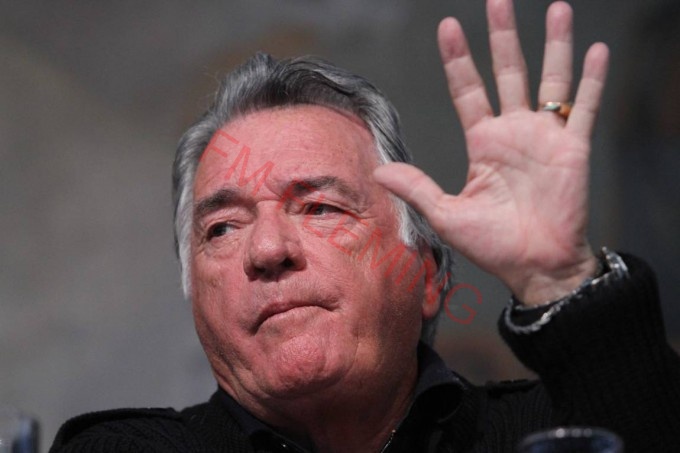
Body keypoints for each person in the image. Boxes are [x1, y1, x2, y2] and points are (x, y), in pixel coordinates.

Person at [50, 0, 680, 451]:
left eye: (320, 208)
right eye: (222, 228)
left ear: (427, 275)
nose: (266, 249)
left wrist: (556, 279)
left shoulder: (553, 435)